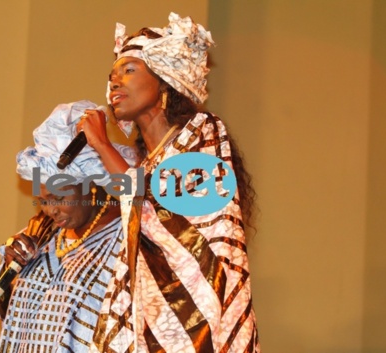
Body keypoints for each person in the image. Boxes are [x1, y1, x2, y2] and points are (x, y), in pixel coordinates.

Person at [78, 12, 260, 353]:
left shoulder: (203, 131)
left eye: (128, 70)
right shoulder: (144, 162)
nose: (115, 82)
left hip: (197, 317)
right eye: (111, 76)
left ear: (164, 80)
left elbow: (161, 202)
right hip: (149, 317)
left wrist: (102, 145)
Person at [0, 100, 138, 352]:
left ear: (91, 186)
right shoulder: (42, 234)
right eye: (44, 200)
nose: (51, 209)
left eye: (59, 198)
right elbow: (11, 315)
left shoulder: (124, 236)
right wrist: (10, 266)